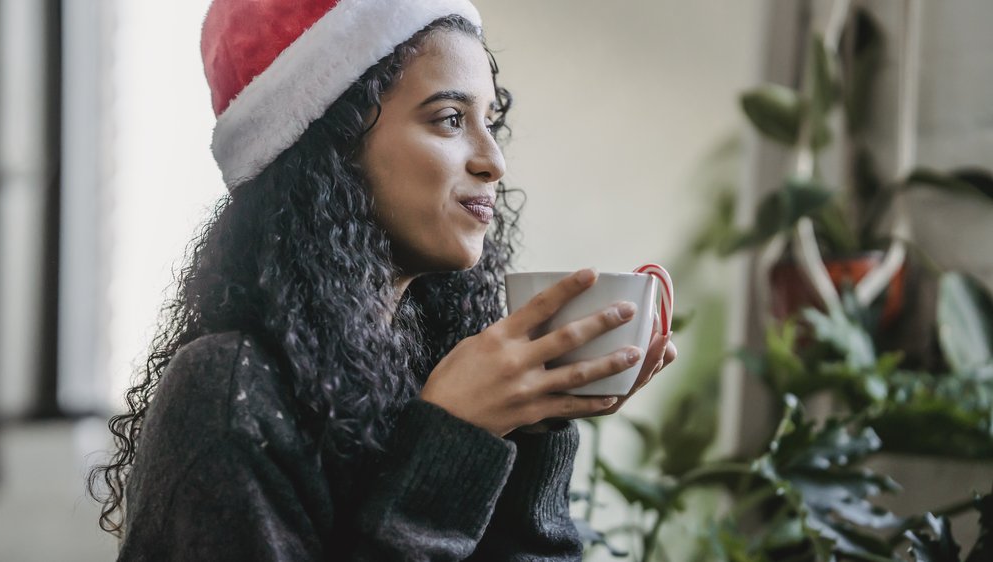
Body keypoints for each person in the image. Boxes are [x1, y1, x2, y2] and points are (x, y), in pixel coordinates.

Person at [89, 0, 677, 559]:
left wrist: (537, 427)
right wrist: (449, 440)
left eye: (490, 120)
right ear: (332, 146)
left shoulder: (433, 359)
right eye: (450, 119)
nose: (494, 160)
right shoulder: (228, 389)